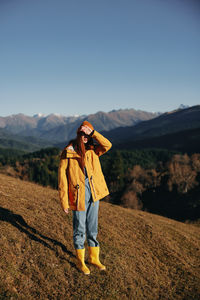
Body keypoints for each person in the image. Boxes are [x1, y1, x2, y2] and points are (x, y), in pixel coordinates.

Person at [58, 121, 112, 275]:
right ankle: (81, 261)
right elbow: (62, 178)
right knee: (79, 229)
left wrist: (93, 132)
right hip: (78, 194)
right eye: (83, 134)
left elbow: (108, 145)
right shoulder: (67, 152)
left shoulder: (94, 150)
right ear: (78, 134)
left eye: (88, 135)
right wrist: (64, 201)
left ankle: (94, 258)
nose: (85, 137)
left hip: (94, 192)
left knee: (93, 228)